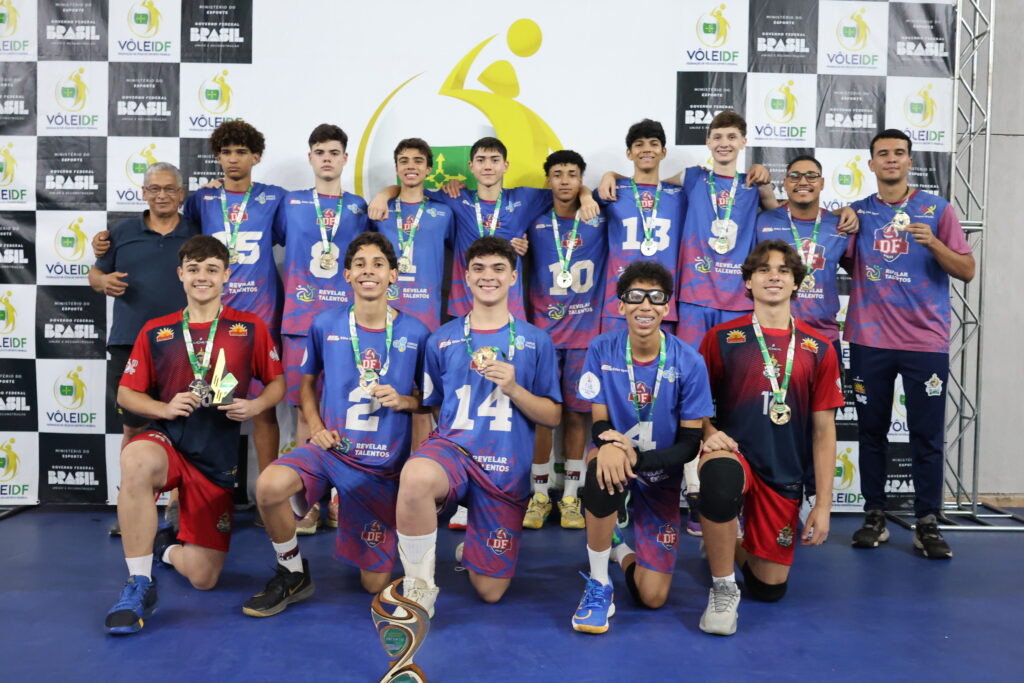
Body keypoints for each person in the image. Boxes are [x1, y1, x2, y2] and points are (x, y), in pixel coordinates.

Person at [369, 135, 594, 530]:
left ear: (506, 165)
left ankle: (533, 492)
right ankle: (457, 489)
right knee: (460, 405)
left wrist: (589, 191)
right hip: (462, 315)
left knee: (527, 404)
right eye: (481, 160)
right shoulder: (454, 198)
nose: (488, 166)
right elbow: (410, 186)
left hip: (512, 319)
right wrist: (384, 192)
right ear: (471, 167)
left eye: (495, 159)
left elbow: (567, 188)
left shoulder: (526, 198)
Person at [104, 235, 284, 634]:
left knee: (204, 577)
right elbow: (126, 393)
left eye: (211, 269)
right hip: (168, 444)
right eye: (194, 269)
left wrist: (255, 406)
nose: (202, 277)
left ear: (226, 276)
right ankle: (138, 583)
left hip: (214, 461)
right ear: (180, 274)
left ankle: (165, 547)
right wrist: (164, 409)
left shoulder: (249, 327)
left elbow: (277, 384)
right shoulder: (157, 330)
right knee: (135, 459)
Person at [242, 233, 429, 616]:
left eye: (378, 264)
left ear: (393, 275)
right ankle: (293, 572)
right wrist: (315, 426)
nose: (368, 271)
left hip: (379, 466)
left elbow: (430, 400)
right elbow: (306, 383)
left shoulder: (416, 332)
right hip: (329, 450)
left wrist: (405, 401)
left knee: (374, 584)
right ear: (346, 274)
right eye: (360, 264)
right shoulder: (325, 323)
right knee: (268, 487)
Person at [389, 236, 561, 617]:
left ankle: (475, 543)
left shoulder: (537, 341)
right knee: (415, 476)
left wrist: (514, 389)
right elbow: (434, 406)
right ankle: (419, 588)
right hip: (455, 452)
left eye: (498, 268)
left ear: (513, 277)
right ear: (466, 276)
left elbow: (552, 416)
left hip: (504, 468)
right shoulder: (441, 339)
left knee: (490, 591)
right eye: (479, 269)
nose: (488, 276)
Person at [696, 239, 843, 636]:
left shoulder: (819, 348)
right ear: (748, 282)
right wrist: (709, 433)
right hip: (735, 455)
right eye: (763, 270)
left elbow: (824, 432)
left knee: (768, 588)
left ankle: (721, 540)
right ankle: (722, 588)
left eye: (783, 270)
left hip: (783, 470)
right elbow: (695, 405)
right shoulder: (722, 337)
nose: (773, 277)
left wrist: (823, 505)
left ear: (797, 282)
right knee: (720, 479)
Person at [845, 129, 974, 559]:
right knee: (871, 432)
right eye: (883, 153)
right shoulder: (858, 213)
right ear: (871, 164)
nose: (891, 159)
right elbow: (829, 253)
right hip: (870, 339)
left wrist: (933, 242)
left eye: (899, 152)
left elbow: (967, 270)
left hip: (925, 342)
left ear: (909, 160)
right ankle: (874, 515)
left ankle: (927, 522)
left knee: (926, 435)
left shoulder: (938, 210)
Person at [571, 261, 711, 634]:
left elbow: (690, 444)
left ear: (667, 306)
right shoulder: (601, 348)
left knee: (652, 597)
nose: (645, 305)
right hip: (616, 463)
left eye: (655, 297)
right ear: (621, 305)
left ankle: (618, 548)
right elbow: (599, 421)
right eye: (635, 296)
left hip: (661, 473)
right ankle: (598, 583)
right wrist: (610, 444)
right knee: (600, 465)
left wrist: (639, 458)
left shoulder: (689, 361)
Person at [90, 162, 198, 534]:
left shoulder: (196, 233)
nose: (162, 195)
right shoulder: (121, 232)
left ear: (181, 194)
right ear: (143, 193)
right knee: (134, 428)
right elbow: (95, 273)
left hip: (184, 344)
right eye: (154, 189)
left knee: (185, 427)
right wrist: (101, 281)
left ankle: (178, 505)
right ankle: (134, 506)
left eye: (169, 189)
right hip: (129, 343)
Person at [279, 124, 370, 532]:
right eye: (320, 152)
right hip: (300, 321)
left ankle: (340, 496)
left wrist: (386, 192)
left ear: (345, 158)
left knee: (344, 406)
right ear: (310, 157)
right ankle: (307, 500)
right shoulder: (290, 202)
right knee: (305, 409)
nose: (327, 158)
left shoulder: (360, 207)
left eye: (334, 152)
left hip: (347, 322)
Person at [522, 150, 607, 530]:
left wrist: (589, 195)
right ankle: (540, 494)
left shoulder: (598, 216)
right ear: (548, 180)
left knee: (576, 416)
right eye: (557, 174)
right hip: (542, 335)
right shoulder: (535, 221)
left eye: (573, 174)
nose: (565, 180)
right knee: (544, 417)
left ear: (581, 179)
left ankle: (571, 496)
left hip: (584, 336)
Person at [369, 138, 454, 451]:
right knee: (382, 395)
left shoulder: (444, 212)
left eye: (418, 161)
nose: (411, 166)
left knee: (425, 398)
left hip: (427, 321)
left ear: (429, 169)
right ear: (396, 167)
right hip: (384, 318)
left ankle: (426, 466)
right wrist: (384, 194)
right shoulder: (379, 210)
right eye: (403, 160)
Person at [755, 155, 849, 359]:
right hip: (772, 333)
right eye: (795, 176)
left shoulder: (841, 226)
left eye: (811, 176)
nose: (803, 182)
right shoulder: (763, 221)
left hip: (824, 335)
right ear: (785, 183)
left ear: (822, 183)